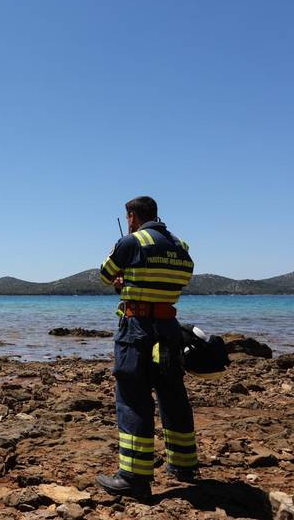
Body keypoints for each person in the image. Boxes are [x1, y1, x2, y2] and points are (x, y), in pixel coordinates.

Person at [96, 196, 198, 498]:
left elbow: (104, 274)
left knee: (133, 397)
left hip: (137, 330)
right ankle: (183, 465)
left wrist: (123, 280)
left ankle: (134, 477)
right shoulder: (181, 246)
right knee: (172, 394)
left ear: (131, 216)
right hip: (168, 328)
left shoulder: (131, 241)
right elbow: (181, 279)